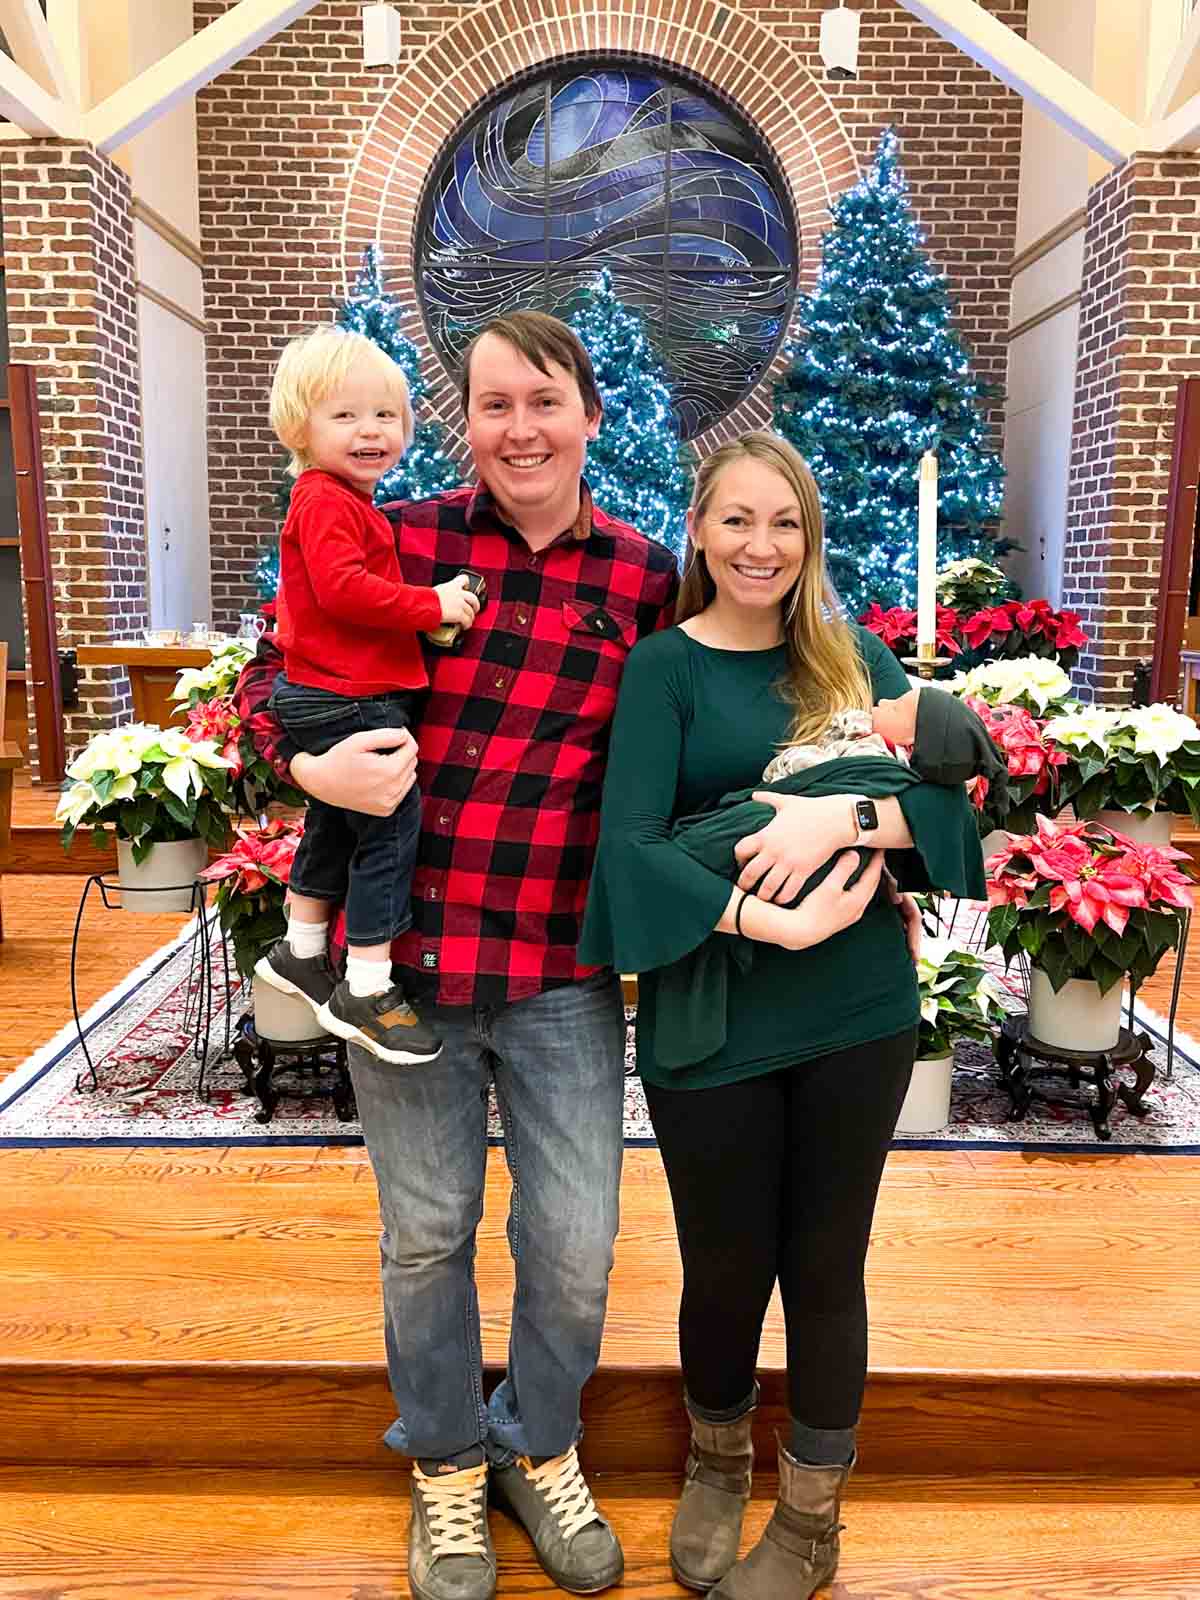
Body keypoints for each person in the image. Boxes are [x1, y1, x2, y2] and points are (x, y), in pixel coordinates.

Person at [235, 311, 683, 1600]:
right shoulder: (394, 536)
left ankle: (537, 1440)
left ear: (591, 414)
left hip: (557, 966)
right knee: (426, 1233)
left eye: (543, 401)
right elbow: (273, 678)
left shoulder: (645, 578)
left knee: (579, 1239)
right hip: (407, 976)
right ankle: (442, 1459)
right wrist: (305, 759)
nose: (519, 429)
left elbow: (723, 701)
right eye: (492, 404)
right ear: (465, 420)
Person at [579, 431, 987, 1600]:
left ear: (810, 539)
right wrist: (774, 922)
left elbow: (959, 809)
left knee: (824, 1263)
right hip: (715, 1004)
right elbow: (631, 851)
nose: (762, 545)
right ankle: (716, 1464)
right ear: (699, 530)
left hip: (855, 1007)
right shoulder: (664, 667)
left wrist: (842, 826)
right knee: (723, 1266)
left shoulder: (846, 656)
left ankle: (811, 1524)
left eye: (786, 523)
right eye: (739, 520)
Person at [253, 325, 481, 1065]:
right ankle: (369, 983)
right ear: (300, 427)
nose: (369, 430)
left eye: (385, 415)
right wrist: (433, 604)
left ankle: (302, 947)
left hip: (332, 691)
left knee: (336, 823)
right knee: (389, 828)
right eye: (344, 415)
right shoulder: (325, 503)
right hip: (347, 698)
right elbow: (345, 592)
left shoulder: (349, 502)